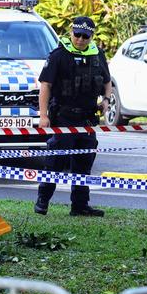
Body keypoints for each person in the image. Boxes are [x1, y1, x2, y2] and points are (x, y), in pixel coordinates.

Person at [34, 16, 112, 217]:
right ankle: (43, 201)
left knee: (83, 163)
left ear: (91, 36)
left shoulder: (98, 55)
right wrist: (43, 115)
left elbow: (107, 81)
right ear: (71, 32)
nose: (80, 39)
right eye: (77, 34)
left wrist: (106, 100)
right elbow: (45, 86)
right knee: (56, 161)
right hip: (64, 118)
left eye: (85, 36)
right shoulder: (60, 55)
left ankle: (80, 206)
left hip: (87, 119)